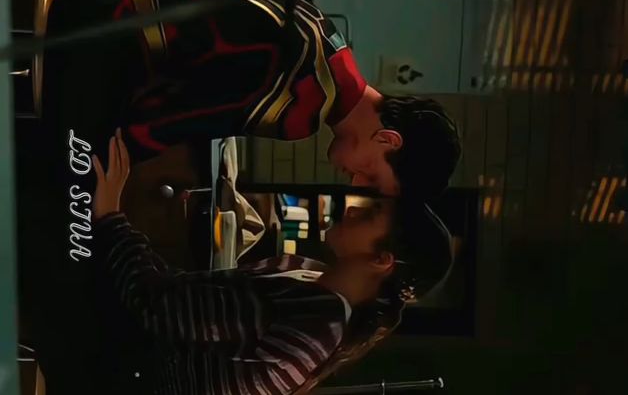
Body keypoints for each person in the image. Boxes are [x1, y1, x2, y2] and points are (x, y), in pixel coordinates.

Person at [86, 129, 452, 394]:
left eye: (370, 215)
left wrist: (111, 217)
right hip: (116, 339)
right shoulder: (309, 274)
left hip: (110, 369)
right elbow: (179, 292)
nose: (353, 210)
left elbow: (159, 309)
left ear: (381, 260)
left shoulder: (316, 322)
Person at [41, 0, 462, 199]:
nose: (353, 179)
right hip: (101, 39)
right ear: (388, 140)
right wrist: (111, 179)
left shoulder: (332, 45)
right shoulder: (304, 105)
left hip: (110, 10)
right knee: (78, 210)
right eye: (370, 176)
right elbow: (171, 122)